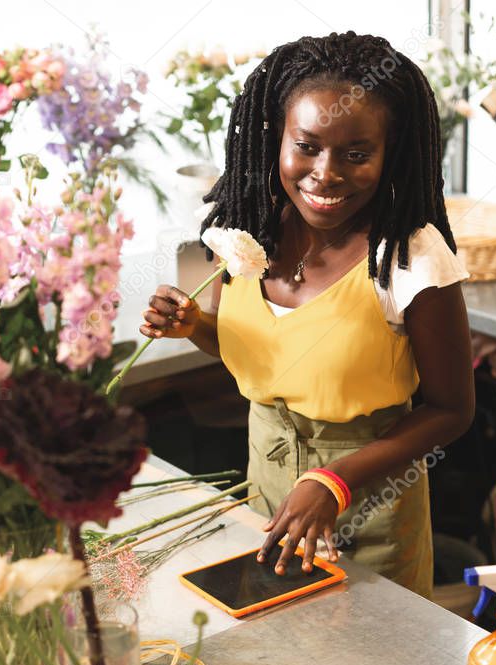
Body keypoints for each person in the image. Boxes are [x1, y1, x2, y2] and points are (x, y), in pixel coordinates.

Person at [140, 31, 475, 598]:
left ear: (389, 155)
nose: (326, 174)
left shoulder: (409, 257)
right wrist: (195, 326)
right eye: (308, 146)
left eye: (356, 154)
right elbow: (262, 353)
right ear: (277, 139)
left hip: (371, 505)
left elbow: (451, 410)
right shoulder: (247, 227)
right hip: (266, 494)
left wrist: (335, 480)